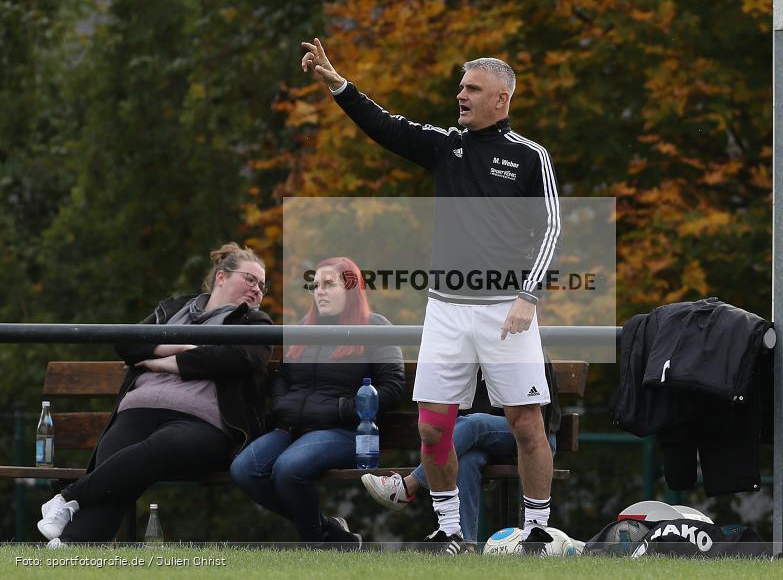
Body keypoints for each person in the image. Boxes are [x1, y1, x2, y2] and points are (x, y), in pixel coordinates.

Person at [301, 38, 561, 554]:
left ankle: (538, 531)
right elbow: (385, 124)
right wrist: (338, 85)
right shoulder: (446, 144)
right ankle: (450, 533)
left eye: (472, 88)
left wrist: (529, 295)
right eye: (460, 87)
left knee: (525, 422)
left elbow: (553, 229)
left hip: (506, 308)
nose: (460, 95)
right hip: (444, 308)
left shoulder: (531, 156)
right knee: (433, 425)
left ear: (501, 99)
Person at [36, 243, 273, 545]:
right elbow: (126, 343)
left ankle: (68, 497)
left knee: (152, 451)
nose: (257, 290)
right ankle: (70, 550)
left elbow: (237, 360)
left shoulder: (254, 323)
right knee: (120, 465)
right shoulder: (172, 310)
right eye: (250, 279)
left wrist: (163, 363)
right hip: (136, 411)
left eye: (262, 286)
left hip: (201, 424)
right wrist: (183, 346)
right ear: (221, 277)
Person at [229, 256, 406, 547]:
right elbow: (282, 377)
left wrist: (344, 408)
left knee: (288, 469)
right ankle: (331, 532)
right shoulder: (304, 329)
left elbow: (393, 388)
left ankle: (313, 546)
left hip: (346, 432)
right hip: (292, 429)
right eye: (315, 285)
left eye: (328, 284)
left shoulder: (374, 326)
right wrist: (284, 403)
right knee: (244, 470)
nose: (319, 291)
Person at [361, 364, 559, 550]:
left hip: (532, 439)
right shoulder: (465, 350)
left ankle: (407, 485)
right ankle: (465, 546)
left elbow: (533, 424)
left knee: (475, 424)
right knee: (466, 458)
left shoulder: (519, 348)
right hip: (485, 442)